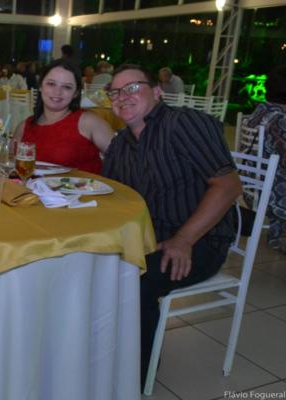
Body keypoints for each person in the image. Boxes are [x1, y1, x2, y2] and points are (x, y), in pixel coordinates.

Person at [101, 64, 242, 390]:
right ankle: (104, 354)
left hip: (199, 239)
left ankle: (133, 379)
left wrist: (184, 239)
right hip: (149, 234)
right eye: (115, 92)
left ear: (157, 92)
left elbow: (228, 186)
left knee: (137, 281)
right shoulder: (122, 142)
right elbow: (111, 194)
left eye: (132, 88)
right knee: (91, 265)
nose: (122, 97)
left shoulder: (183, 123)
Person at [13, 59, 114, 174]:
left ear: (76, 93)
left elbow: (121, 159)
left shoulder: (88, 122)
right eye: (51, 84)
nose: (57, 92)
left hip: (84, 185)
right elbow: (10, 167)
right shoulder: (24, 127)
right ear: (40, 86)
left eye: (67, 87)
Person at [244, 64, 286, 253]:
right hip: (271, 194)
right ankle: (279, 237)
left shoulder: (259, 112)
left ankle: (277, 235)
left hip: (250, 186)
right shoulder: (281, 119)